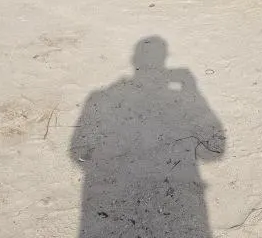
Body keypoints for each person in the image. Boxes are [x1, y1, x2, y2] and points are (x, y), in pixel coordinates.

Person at [69, 36, 226, 237]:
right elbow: (214, 153)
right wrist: (192, 88)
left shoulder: (100, 96)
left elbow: (77, 154)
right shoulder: (102, 96)